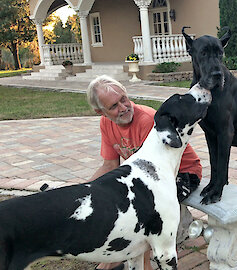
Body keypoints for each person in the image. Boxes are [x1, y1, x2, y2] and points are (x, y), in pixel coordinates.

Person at [86, 75, 202, 270]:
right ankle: (123, 259)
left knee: (145, 211)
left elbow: (150, 187)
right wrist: (84, 189)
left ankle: (128, 265)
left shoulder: (147, 120)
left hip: (182, 173)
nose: (123, 107)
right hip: (145, 177)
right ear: (101, 112)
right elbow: (109, 166)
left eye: (124, 99)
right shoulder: (106, 124)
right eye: (114, 106)